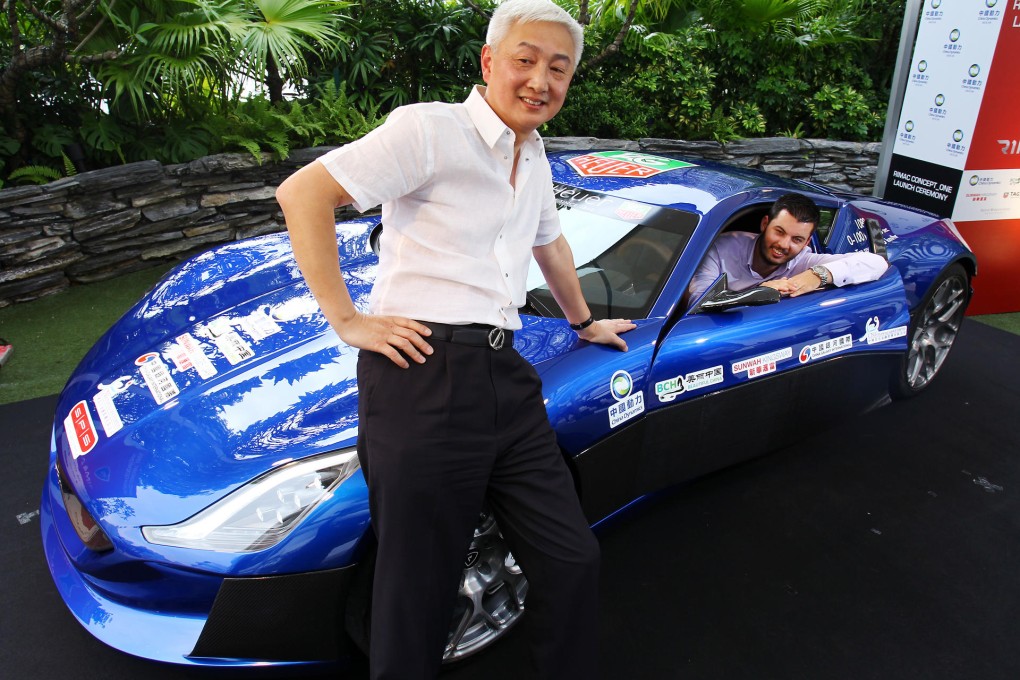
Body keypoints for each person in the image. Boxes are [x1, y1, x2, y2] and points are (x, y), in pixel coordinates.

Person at [275, 1, 634, 678]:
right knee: (418, 591)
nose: (540, 80)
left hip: (505, 378)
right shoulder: (429, 130)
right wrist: (347, 320)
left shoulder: (534, 153)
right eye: (525, 60)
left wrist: (584, 321)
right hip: (421, 377)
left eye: (558, 69)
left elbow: (549, 240)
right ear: (489, 62)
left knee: (571, 559)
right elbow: (304, 194)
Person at [687, 192, 888, 302]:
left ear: (806, 243)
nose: (784, 245)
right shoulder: (721, 247)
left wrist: (818, 275)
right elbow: (700, 300)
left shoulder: (804, 260)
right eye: (779, 232)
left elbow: (877, 262)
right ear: (765, 224)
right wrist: (759, 292)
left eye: (797, 239)